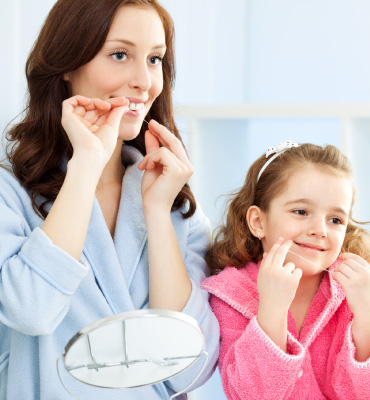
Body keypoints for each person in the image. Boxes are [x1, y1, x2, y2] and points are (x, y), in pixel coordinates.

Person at [0, 0, 219, 398]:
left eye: (155, 59)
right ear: (68, 64)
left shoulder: (174, 204)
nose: (144, 81)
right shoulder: (9, 194)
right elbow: (30, 310)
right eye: (120, 55)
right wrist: (86, 164)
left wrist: (156, 211)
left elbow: (191, 369)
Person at [202, 141, 370, 399]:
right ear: (258, 221)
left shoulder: (361, 287)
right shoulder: (232, 293)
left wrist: (367, 315)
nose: (320, 229)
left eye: (335, 220)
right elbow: (250, 395)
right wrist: (272, 309)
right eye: (301, 211)